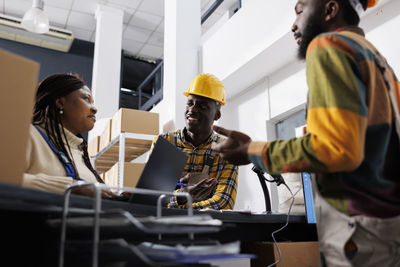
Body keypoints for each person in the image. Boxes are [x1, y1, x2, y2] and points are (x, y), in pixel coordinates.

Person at [212, 0, 400, 266]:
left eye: (300, 11)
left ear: (330, 9)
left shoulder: (328, 46)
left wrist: (252, 150)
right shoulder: (377, 61)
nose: (293, 25)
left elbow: (336, 150)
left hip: (359, 234)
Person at [151, 73, 238, 210]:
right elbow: (152, 198)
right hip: (165, 228)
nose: (192, 109)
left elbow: (224, 202)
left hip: (206, 229)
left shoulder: (226, 149)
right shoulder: (164, 143)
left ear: (217, 115)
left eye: (202, 106)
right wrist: (181, 196)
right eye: (190, 103)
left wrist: (176, 204)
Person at [23, 73, 117, 199]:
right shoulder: (28, 135)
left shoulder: (79, 153)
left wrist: (117, 198)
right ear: (60, 103)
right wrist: (70, 187)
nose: (94, 109)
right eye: (86, 99)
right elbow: (6, 178)